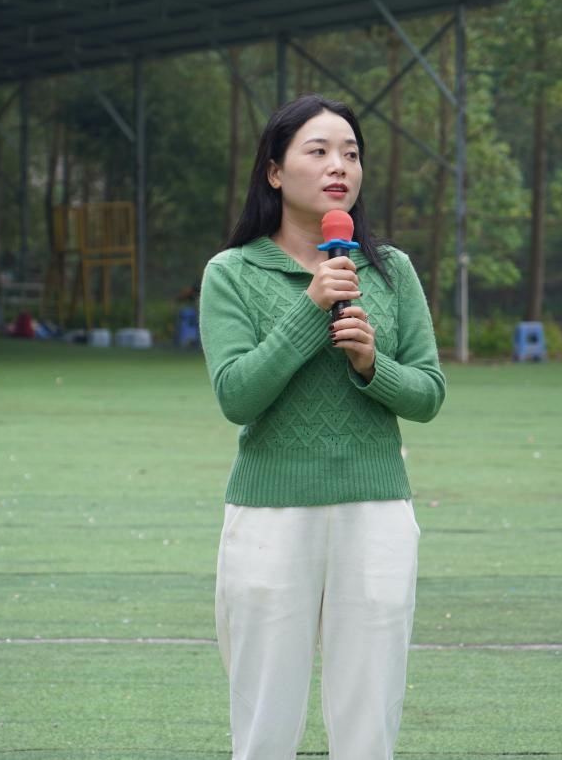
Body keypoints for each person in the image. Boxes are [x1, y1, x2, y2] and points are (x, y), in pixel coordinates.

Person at [199, 94, 446, 760]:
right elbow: (237, 396)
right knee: (265, 721)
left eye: (351, 153)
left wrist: (372, 365)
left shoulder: (391, 271)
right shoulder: (231, 273)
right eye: (319, 151)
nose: (340, 165)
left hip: (376, 511)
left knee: (369, 722)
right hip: (270, 515)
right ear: (275, 171)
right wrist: (311, 308)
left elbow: (428, 394)